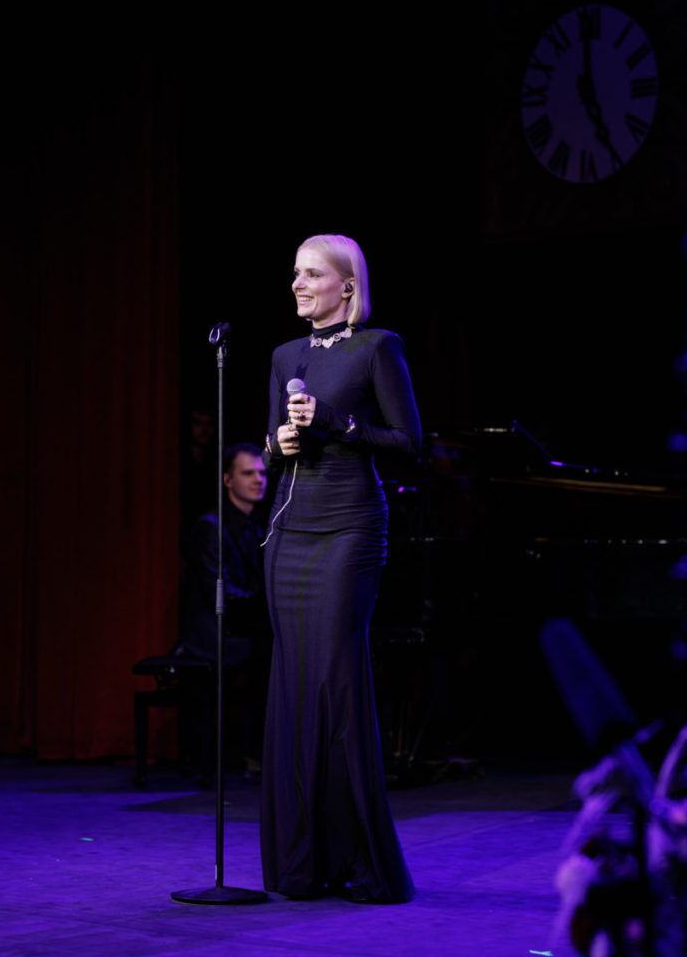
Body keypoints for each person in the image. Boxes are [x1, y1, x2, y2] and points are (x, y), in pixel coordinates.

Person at [260, 233, 421, 903]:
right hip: (290, 532)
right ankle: (302, 863)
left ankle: (361, 861)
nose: (297, 284)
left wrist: (339, 423)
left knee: (335, 680)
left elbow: (409, 443)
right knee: (295, 686)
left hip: (350, 528)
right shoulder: (285, 356)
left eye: (311, 274)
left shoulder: (378, 347)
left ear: (346, 286)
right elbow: (270, 450)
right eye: (295, 273)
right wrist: (279, 443)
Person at [179, 443, 271, 780]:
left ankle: (266, 751)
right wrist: (263, 606)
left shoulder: (259, 524)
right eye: (248, 473)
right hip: (213, 634)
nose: (258, 480)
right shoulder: (211, 526)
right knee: (270, 653)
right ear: (228, 480)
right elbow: (218, 593)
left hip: (242, 625)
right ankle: (256, 754)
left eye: (262, 473)